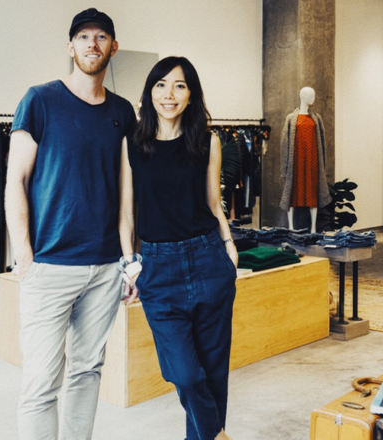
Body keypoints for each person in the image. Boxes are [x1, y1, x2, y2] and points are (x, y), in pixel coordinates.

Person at [5, 8, 136, 440]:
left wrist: (128, 259)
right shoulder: (40, 100)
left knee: (87, 370)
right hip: (49, 265)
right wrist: (25, 258)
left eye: (101, 37)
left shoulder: (122, 112)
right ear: (70, 47)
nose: (92, 44)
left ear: (113, 47)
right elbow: (15, 182)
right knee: (41, 382)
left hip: (103, 268)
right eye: (83, 37)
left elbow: (125, 193)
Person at [118, 56, 237, 440]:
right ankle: (218, 436)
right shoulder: (133, 144)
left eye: (180, 85)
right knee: (184, 374)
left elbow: (213, 203)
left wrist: (229, 246)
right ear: (149, 92)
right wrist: (129, 265)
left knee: (214, 370)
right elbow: (126, 213)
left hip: (208, 259)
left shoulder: (207, 141)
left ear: (191, 95)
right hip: (158, 269)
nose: (169, 94)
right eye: (161, 84)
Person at [279, 86, 331, 233]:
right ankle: (290, 227)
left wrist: (322, 165)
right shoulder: (291, 119)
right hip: (296, 162)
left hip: (312, 161)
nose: (313, 98)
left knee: (312, 192)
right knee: (292, 193)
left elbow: (322, 141)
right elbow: (284, 145)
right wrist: (285, 168)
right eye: (310, 95)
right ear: (302, 96)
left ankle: (313, 228)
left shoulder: (316, 119)